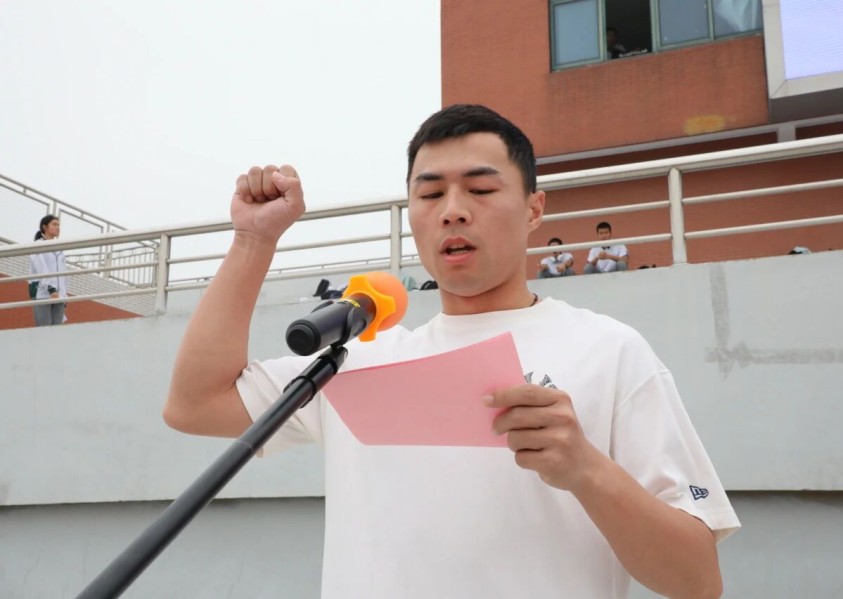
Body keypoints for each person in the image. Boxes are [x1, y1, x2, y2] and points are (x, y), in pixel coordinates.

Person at [164, 104, 739, 598]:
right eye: (431, 193)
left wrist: (588, 470)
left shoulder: (609, 350)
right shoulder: (354, 360)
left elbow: (697, 580)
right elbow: (196, 404)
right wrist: (253, 240)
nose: (453, 210)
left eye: (481, 190)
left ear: (534, 209)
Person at [28, 215, 68, 326]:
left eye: (58, 225)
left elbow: (64, 275)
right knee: (44, 329)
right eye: (54, 224)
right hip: (43, 293)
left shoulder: (59, 249)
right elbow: (41, 268)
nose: (58, 227)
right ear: (45, 227)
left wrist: (64, 295)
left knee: (56, 332)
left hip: (59, 296)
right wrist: (51, 289)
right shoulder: (38, 245)